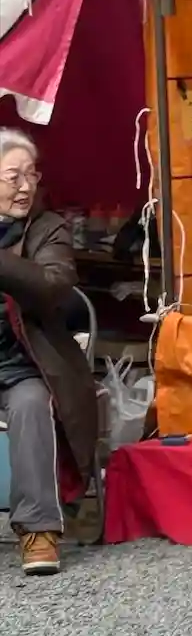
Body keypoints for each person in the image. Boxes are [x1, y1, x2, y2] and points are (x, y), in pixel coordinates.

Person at [0, 128, 97, 576]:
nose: (25, 186)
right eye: (13, 177)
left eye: (31, 175)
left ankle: (38, 530)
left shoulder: (47, 228)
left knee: (32, 404)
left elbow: (53, 286)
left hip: (27, 363)